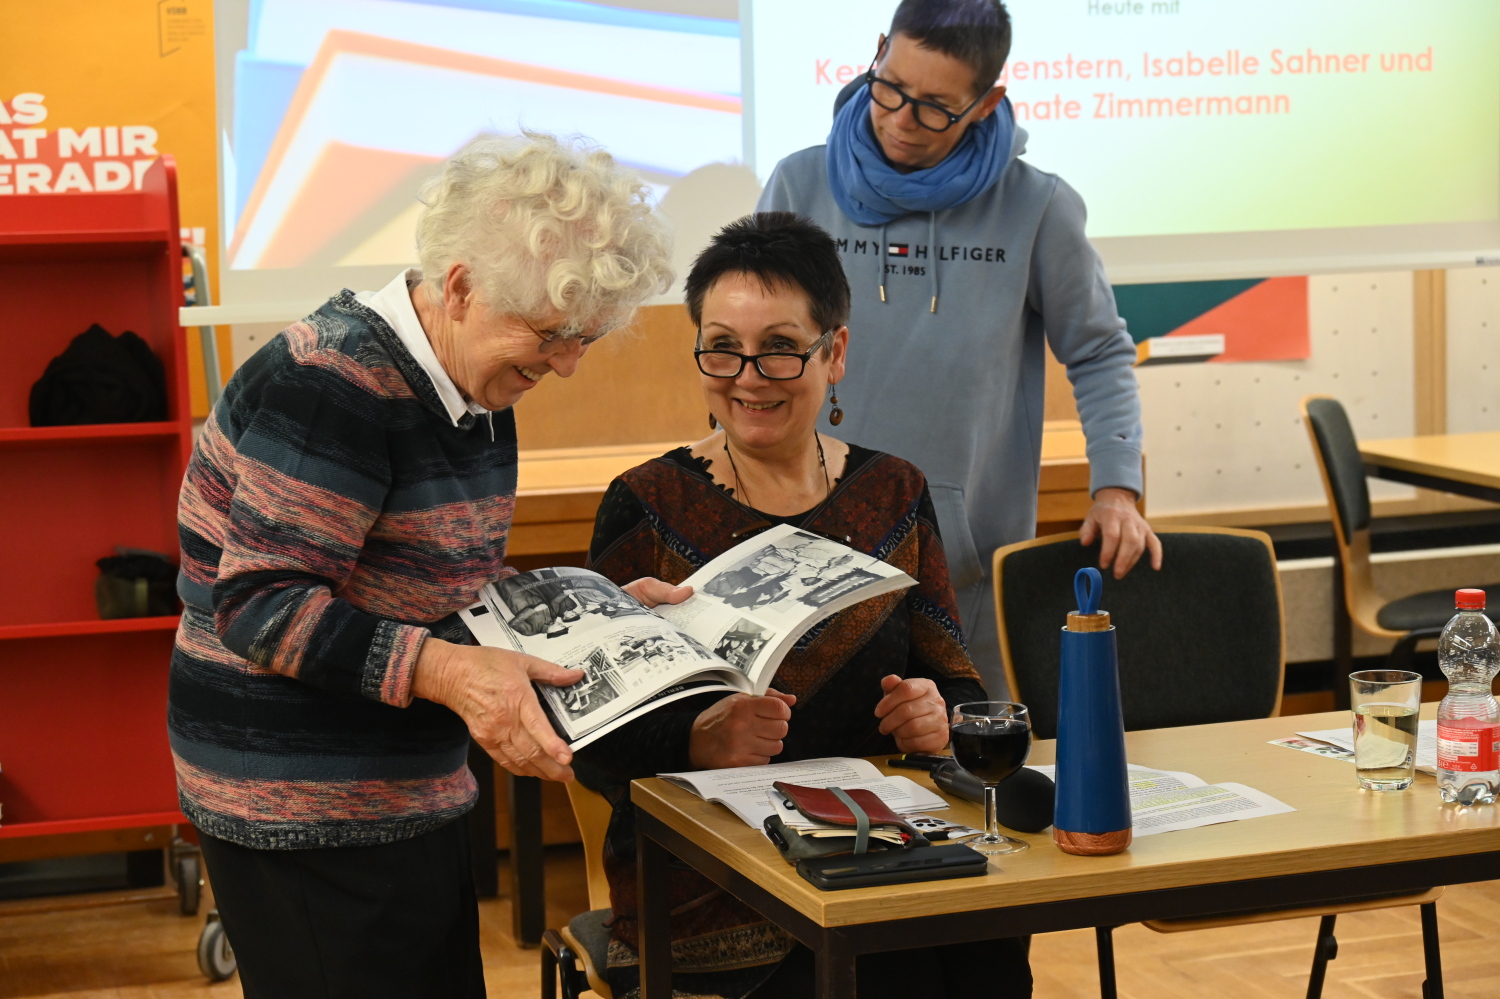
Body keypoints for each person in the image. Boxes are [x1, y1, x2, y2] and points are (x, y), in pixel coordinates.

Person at [169, 132, 682, 998]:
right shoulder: (338, 383)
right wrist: (450, 671)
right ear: (459, 285)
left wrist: (596, 611)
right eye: (552, 333)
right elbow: (261, 604)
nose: (565, 363)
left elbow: (420, 577)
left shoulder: (471, 375)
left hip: (400, 783)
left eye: (586, 336)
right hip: (302, 803)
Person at [574, 212, 1032, 999]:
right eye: (722, 347)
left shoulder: (894, 492)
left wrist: (936, 713)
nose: (748, 376)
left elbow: (958, 684)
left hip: (881, 842)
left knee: (986, 945)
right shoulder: (645, 504)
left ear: (836, 353)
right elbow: (591, 740)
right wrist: (699, 733)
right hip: (709, 871)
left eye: (781, 348)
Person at [756, 0, 1161, 696]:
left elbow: (1097, 352)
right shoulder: (798, 185)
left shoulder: (1038, 208)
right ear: (879, 51)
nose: (900, 120)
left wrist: (1118, 487)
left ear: (987, 100)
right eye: (890, 88)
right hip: (808, 560)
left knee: (974, 782)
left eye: (936, 107)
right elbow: (749, 359)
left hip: (966, 572)